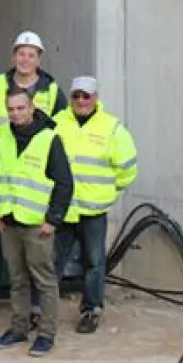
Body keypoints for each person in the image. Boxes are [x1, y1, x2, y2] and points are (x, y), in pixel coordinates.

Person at [0, 88, 73, 357]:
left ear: (32, 108)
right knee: (17, 280)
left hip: (37, 224)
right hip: (9, 222)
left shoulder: (49, 138)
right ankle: (19, 328)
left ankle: (46, 334)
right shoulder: (4, 138)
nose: (15, 113)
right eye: (10, 109)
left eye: (20, 108)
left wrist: (53, 220)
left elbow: (64, 183)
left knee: (44, 281)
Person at [52, 76, 138, 333]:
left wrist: (111, 193)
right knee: (53, 261)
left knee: (94, 262)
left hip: (93, 208)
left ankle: (91, 310)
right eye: (76, 96)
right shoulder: (57, 124)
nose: (81, 101)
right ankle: (43, 311)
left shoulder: (112, 128)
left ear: (95, 98)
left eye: (86, 96)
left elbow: (127, 168)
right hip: (63, 208)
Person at [0, 31, 66, 173]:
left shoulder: (51, 90)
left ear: (38, 60)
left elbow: (62, 131)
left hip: (35, 163)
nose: (25, 59)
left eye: (31, 55)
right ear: (13, 57)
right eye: (21, 54)